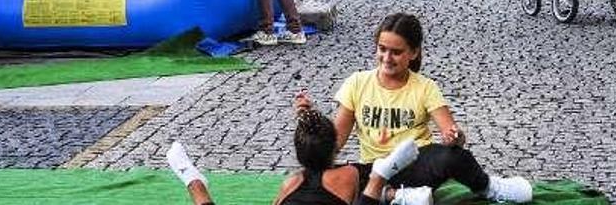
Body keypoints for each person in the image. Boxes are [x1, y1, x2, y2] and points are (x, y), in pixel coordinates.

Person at [298, 13, 533, 203]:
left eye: (396, 52)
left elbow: (452, 136)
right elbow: (335, 143)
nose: (387, 57)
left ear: (414, 52)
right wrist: (312, 122)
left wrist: (454, 137)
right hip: (374, 170)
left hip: (416, 165)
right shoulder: (357, 82)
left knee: (453, 157)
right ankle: (397, 197)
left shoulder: (425, 87)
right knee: (328, 177)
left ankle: (489, 187)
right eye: (382, 49)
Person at [167, 112, 430, 205]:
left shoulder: (289, 183)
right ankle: (381, 176)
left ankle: (193, 180)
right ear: (335, 149)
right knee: (370, 190)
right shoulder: (347, 175)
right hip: (353, 176)